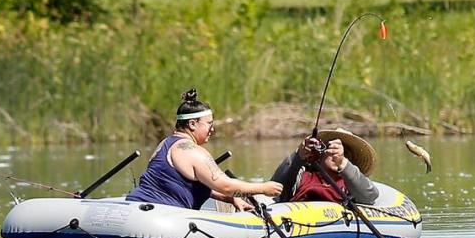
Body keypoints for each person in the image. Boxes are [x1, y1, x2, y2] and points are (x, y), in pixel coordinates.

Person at [127, 89, 282, 210]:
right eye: (209, 123)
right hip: (159, 220)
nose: (212, 129)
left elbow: (187, 184)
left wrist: (231, 199)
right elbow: (225, 186)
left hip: (136, 206)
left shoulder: (164, 144)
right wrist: (263, 188)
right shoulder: (193, 151)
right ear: (193, 124)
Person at [269, 128, 380, 205]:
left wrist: (342, 162)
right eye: (331, 148)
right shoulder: (302, 176)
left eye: (344, 153)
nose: (336, 154)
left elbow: (369, 196)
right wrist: (298, 156)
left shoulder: (351, 184)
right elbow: (276, 187)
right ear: (320, 153)